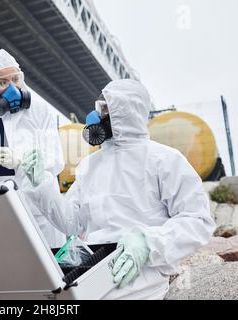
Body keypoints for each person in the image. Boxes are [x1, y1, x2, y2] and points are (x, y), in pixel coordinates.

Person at [21, 79, 216, 299]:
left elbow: (198, 220)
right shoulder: (89, 166)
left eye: (104, 108)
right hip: (91, 270)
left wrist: (148, 242)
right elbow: (71, 223)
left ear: (126, 112)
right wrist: (42, 185)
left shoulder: (164, 160)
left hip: (141, 274)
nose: (95, 116)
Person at [0, 49, 66, 248]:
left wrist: (20, 160)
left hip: (43, 214)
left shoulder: (40, 111)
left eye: (15, 78)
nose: (12, 87)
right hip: (4, 215)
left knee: (56, 271)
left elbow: (56, 160)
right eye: (2, 82)